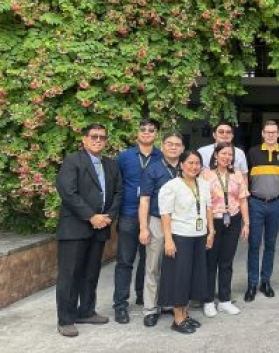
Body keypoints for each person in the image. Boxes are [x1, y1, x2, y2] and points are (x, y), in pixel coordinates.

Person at [55, 123, 123, 338]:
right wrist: (91, 216)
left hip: (100, 228)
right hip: (75, 228)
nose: (98, 140)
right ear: (84, 139)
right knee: (70, 274)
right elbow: (68, 192)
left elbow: (118, 193)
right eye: (94, 136)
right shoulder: (73, 160)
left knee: (91, 273)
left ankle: (86, 311)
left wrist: (108, 217)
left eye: (102, 137)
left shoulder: (111, 165)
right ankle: (66, 319)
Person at [158, 151, 214, 334]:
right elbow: (165, 214)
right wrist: (168, 240)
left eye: (197, 163)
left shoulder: (204, 185)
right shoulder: (171, 186)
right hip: (180, 236)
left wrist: (210, 231)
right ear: (181, 164)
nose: (194, 166)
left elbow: (208, 209)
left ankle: (185, 313)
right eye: (190, 163)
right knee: (179, 277)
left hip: (199, 236)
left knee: (193, 276)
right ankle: (178, 318)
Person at [113, 118, 161, 324]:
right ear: (137, 133)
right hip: (129, 214)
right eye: (143, 129)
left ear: (156, 134)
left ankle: (143, 295)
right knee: (125, 261)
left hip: (153, 215)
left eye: (151, 130)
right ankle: (120, 304)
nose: (147, 132)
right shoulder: (124, 157)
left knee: (148, 260)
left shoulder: (162, 156)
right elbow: (116, 184)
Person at [138, 132, 184, 328]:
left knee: (174, 267)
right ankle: (150, 309)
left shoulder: (187, 168)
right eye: (169, 144)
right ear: (162, 146)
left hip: (181, 223)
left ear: (182, 148)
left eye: (177, 144)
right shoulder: (153, 169)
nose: (173, 147)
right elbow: (145, 200)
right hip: (157, 221)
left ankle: (168, 303)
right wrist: (143, 228)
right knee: (153, 266)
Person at [245, 120, 279, 302]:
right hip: (255, 203)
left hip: (276, 204)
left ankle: (265, 282)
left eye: (274, 132)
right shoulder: (253, 152)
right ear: (263, 134)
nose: (271, 135)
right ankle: (252, 283)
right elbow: (244, 176)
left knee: (270, 245)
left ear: (278, 134)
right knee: (254, 245)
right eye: (267, 132)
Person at [201, 143, 250, 318]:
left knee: (226, 262)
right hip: (212, 221)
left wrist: (246, 223)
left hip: (233, 221)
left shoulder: (237, 175)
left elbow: (243, 200)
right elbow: (204, 203)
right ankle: (207, 301)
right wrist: (209, 229)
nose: (226, 157)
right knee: (210, 262)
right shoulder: (205, 175)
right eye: (223, 153)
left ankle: (224, 300)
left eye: (230, 154)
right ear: (216, 155)